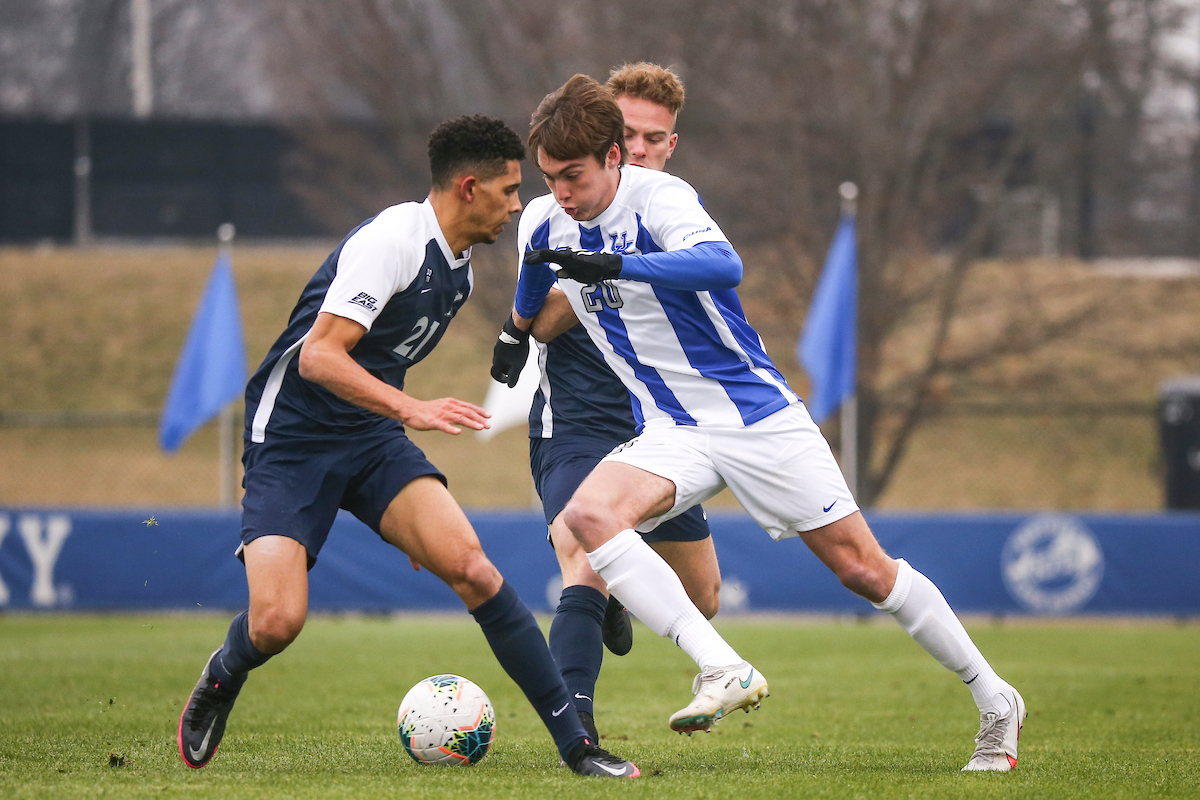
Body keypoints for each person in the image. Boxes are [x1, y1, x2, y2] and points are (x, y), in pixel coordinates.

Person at [490, 76, 1026, 773]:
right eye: (550, 178)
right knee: (587, 518)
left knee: (864, 571)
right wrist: (513, 331)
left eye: (574, 176)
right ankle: (722, 669)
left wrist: (620, 263)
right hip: (671, 426)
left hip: (752, 415)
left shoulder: (661, 198)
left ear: (615, 157)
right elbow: (537, 266)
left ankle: (995, 698)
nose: (560, 192)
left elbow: (724, 264)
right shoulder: (547, 216)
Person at [176, 115, 639, 779]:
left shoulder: (463, 271)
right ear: (470, 187)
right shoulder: (394, 239)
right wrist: (411, 408)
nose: (517, 205)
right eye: (510, 191)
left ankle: (579, 748)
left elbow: (379, 367)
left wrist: (407, 509)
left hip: (369, 439)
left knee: (473, 569)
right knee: (276, 623)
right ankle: (223, 673)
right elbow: (318, 358)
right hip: (291, 442)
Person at [491, 63, 721, 745]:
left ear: (669, 145)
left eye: (655, 137)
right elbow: (540, 318)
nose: (641, 147)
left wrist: (636, 265)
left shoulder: (675, 208)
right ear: (606, 141)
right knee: (582, 544)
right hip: (580, 421)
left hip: (662, 424)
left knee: (703, 597)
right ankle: (577, 729)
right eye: (629, 133)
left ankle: (616, 593)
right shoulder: (570, 207)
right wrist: (605, 272)